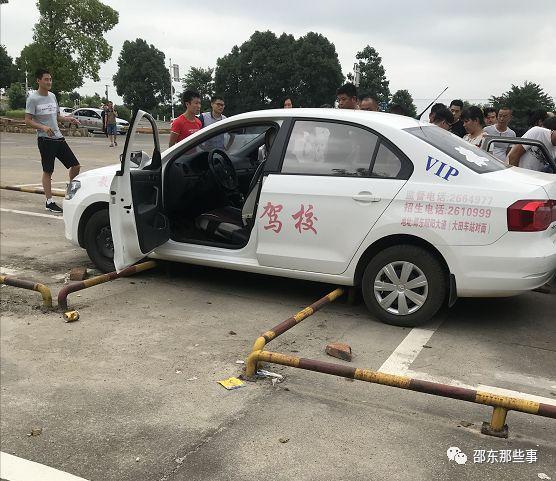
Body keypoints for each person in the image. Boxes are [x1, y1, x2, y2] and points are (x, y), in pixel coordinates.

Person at [25, 68, 81, 213]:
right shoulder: (33, 99)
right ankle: (49, 202)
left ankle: (70, 192)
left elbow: (57, 116)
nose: (49, 82)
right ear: (38, 81)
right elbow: (28, 120)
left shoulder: (52, 96)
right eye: (46, 79)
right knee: (48, 171)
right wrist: (42, 127)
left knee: (75, 166)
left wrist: (69, 118)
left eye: (50, 79)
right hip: (45, 140)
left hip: (58, 137)